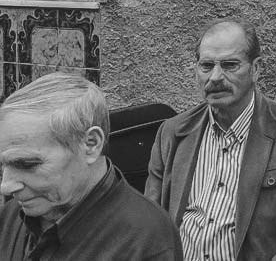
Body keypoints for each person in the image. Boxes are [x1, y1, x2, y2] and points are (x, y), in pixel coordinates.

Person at [145, 19, 276, 260]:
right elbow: (149, 227)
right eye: (206, 66)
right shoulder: (172, 133)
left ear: (255, 69)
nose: (215, 77)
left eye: (229, 65)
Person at [0, 72, 182, 260]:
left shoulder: (146, 241)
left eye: (27, 164)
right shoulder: (12, 216)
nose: (6, 185)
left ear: (91, 144)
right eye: (3, 165)